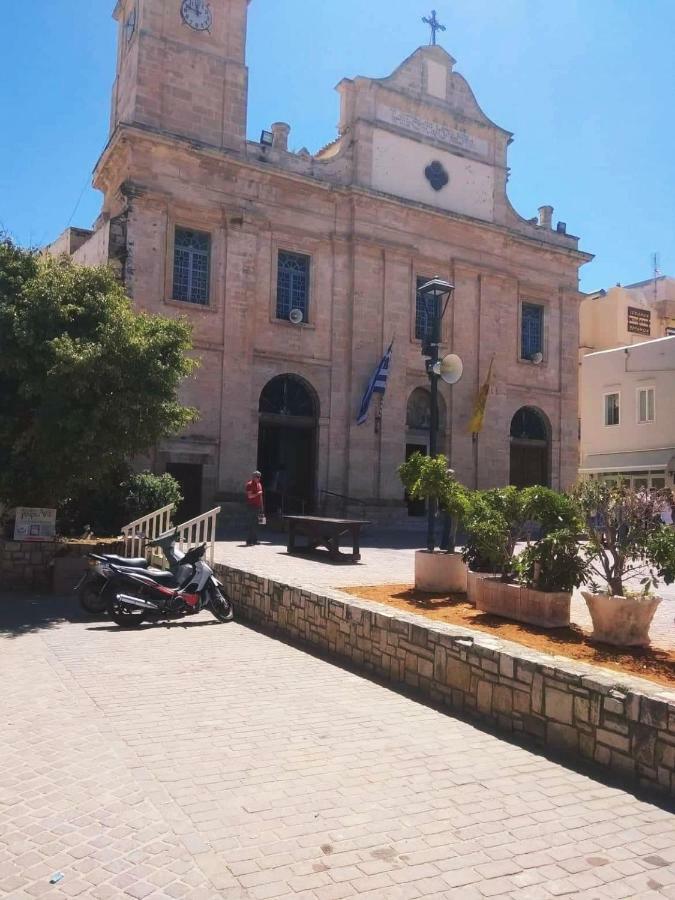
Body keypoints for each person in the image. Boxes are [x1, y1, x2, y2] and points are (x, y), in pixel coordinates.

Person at [244, 470, 264, 546]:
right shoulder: (249, 484)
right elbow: (250, 496)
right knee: (251, 523)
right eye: (257, 477)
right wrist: (258, 493)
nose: (259, 478)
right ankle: (249, 540)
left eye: (259, 477)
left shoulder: (259, 484)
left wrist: (262, 506)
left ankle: (255, 540)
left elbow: (261, 496)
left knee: (256, 524)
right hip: (251, 506)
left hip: (258, 506)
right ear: (253, 477)